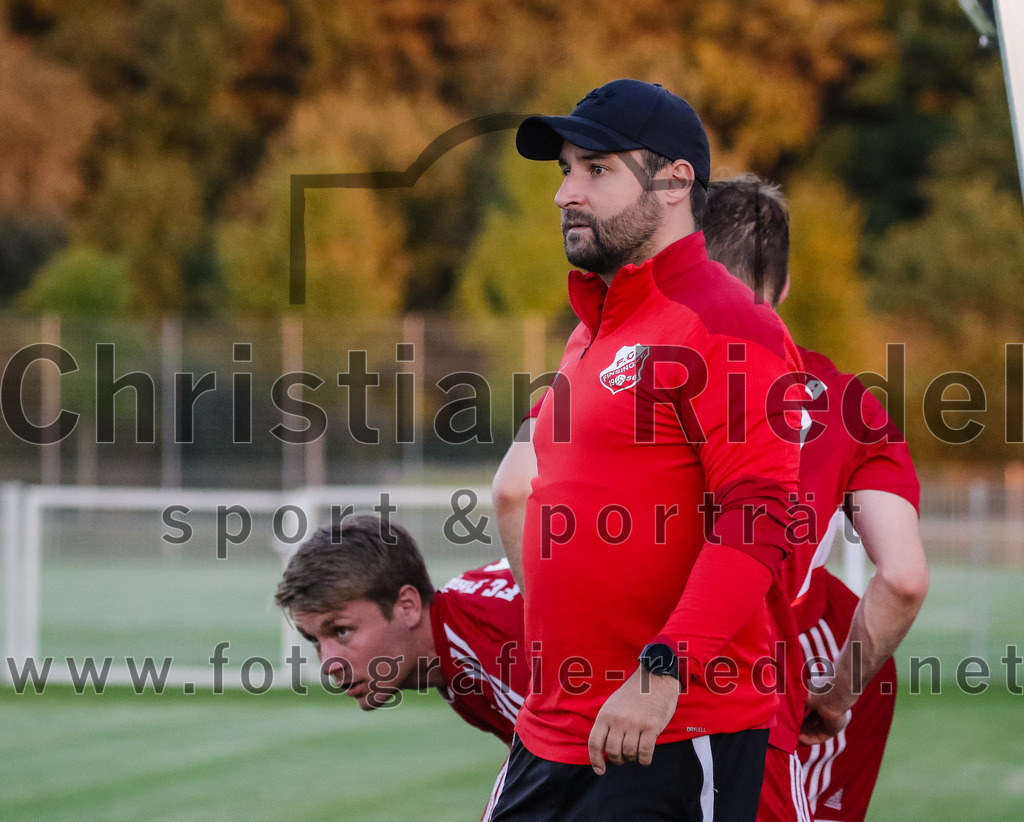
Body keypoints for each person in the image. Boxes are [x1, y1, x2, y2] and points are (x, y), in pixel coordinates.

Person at [489, 79, 804, 822]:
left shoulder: (728, 320)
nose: (565, 194)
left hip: (670, 731)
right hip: (552, 728)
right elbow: (526, 495)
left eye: (596, 170)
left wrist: (663, 672)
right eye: (566, 170)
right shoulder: (591, 329)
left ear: (674, 183)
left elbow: (759, 512)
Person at [702, 175, 929, 822]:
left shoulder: (618, 370)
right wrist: (835, 696)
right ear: (785, 286)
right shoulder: (845, 405)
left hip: (611, 693)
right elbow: (904, 578)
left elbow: (524, 495)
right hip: (752, 707)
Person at [274, 514, 531, 818]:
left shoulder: (499, 643)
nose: (328, 663)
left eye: (341, 631)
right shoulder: (457, 639)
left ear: (407, 606)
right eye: (314, 640)